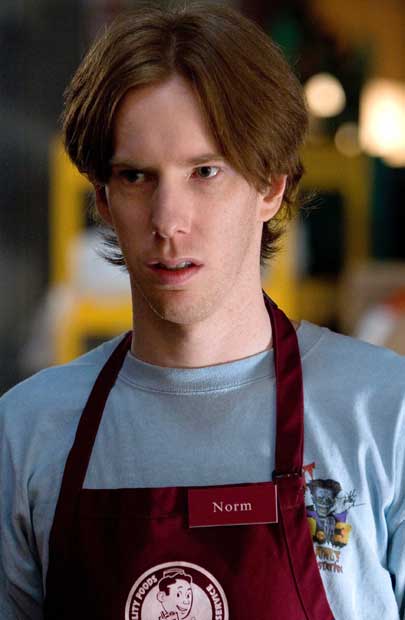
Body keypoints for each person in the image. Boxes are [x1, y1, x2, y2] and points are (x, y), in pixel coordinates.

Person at [0, 2, 404, 619]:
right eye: (136, 177)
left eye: (204, 171)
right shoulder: (26, 433)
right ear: (103, 200)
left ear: (270, 185)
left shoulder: (386, 415)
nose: (168, 221)